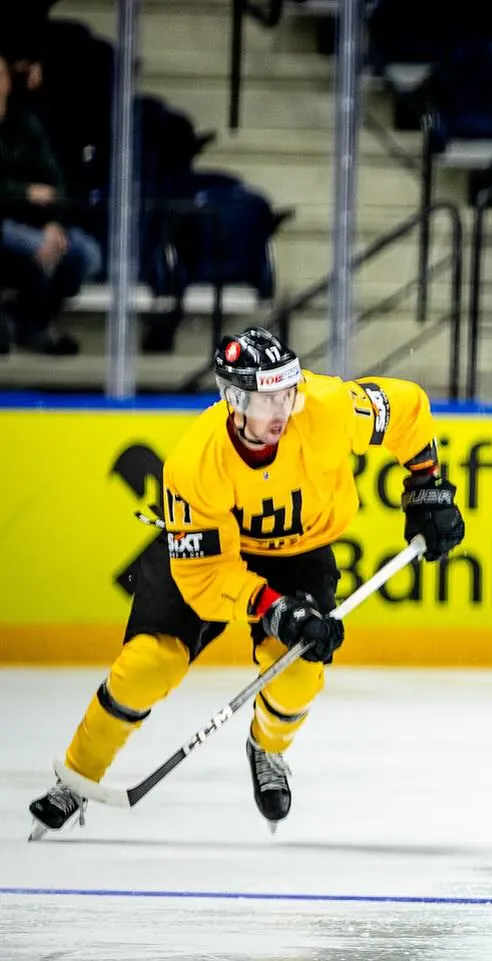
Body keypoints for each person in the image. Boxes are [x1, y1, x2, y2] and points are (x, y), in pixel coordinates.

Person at [27, 329, 467, 838]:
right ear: (234, 399)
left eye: (287, 393)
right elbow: (205, 578)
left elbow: (407, 408)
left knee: (299, 673)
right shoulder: (196, 463)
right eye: (266, 399)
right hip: (216, 559)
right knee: (147, 665)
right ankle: (76, 778)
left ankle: (267, 749)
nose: (282, 409)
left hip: (301, 555)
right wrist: (272, 606)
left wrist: (426, 487)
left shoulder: (324, 406)